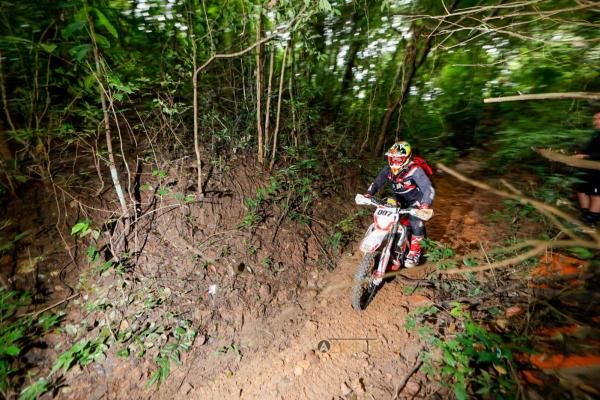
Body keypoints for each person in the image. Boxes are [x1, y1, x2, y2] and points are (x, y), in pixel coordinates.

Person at [365, 141, 435, 268]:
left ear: (407, 158)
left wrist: (424, 205)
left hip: (416, 201)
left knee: (415, 221)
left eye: (399, 159)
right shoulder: (388, 170)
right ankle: (385, 240)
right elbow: (376, 183)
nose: (394, 162)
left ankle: (415, 252)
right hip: (399, 200)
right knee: (385, 210)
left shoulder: (415, 170)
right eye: (392, 159)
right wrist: (368, 194)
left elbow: (428, 188)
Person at [575, 111, 600, 228]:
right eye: (594, 119)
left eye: (598, 119)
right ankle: (585, 215)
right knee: (581, 190)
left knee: (596, 195)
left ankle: (591, 221)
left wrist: (586, 156)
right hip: (589, 168)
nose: (595, 122)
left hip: (598, 170)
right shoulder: (596, 136)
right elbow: (589, 150)